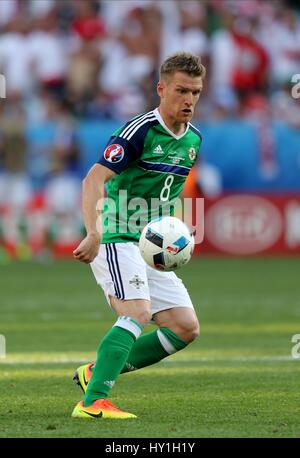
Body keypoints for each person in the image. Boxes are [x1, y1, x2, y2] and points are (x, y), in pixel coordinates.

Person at [71, 51, 205, 419]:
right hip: (115, 236)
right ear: (161, 89)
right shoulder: (139, 131)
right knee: (137, 312)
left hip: (148, 246)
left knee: (184, 328)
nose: (189, 99)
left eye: (195, 92)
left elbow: (162, 194)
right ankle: (92, 403)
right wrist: (93, 232)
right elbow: (94, 178)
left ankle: (96, 372)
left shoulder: (192, 140)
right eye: (181, 90)